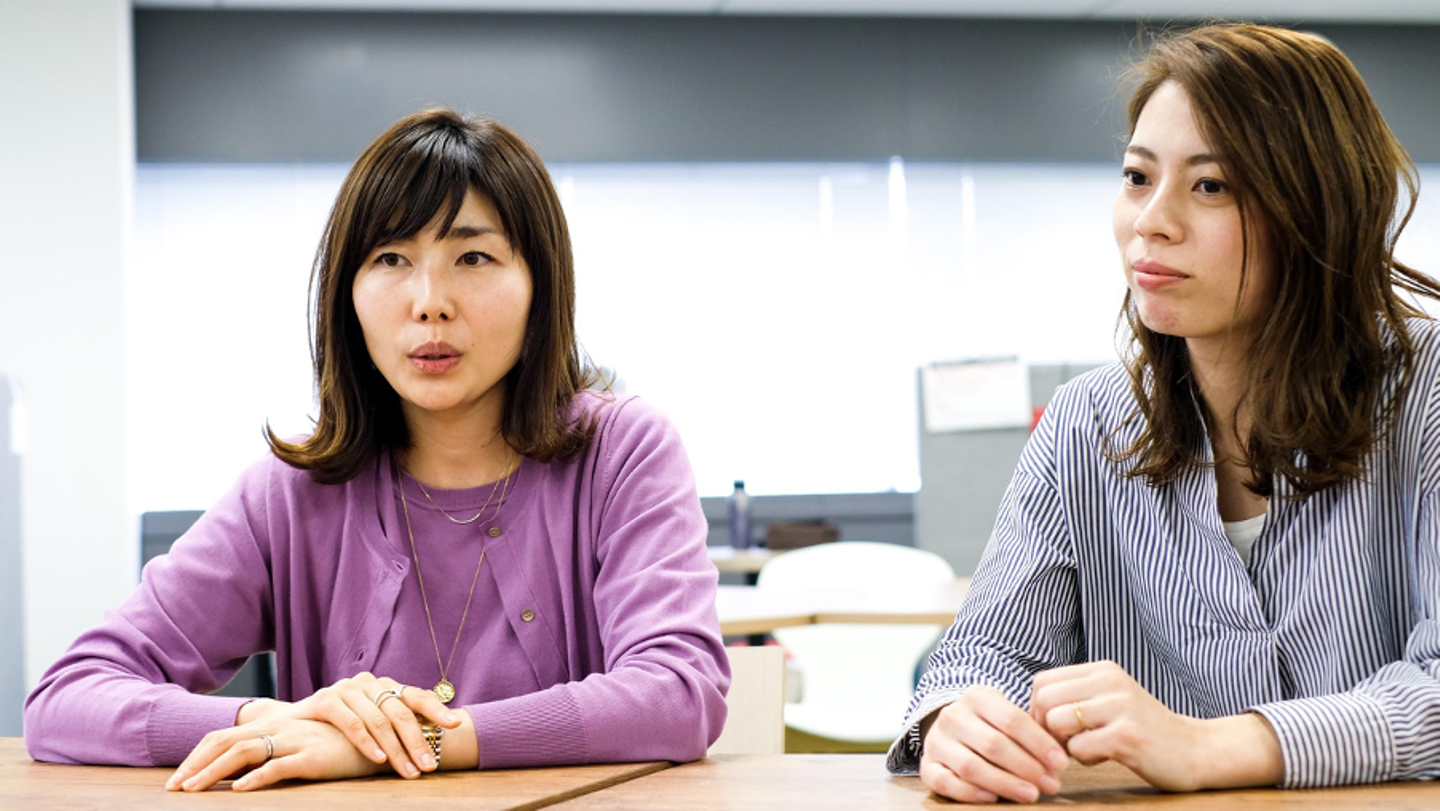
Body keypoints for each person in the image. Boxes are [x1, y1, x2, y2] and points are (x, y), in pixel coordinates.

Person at [24, 109, 730, 791]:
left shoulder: (622, 452)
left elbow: (677, 691)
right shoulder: (291, 491)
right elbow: (66, 697)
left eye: (474, 257)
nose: (430, 302)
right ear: (347, 293)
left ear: (540, 285)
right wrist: (275, 723)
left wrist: (404, 744)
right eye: (391, 258)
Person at [893, 23, 1440, 803]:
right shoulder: (1086, 423)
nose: (1151, 219)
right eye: (1137, 176)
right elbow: (982, 654)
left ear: (1318, 208)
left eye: (1210, 186)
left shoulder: (1426, 391)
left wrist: (1216, 744)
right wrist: (959, 719)